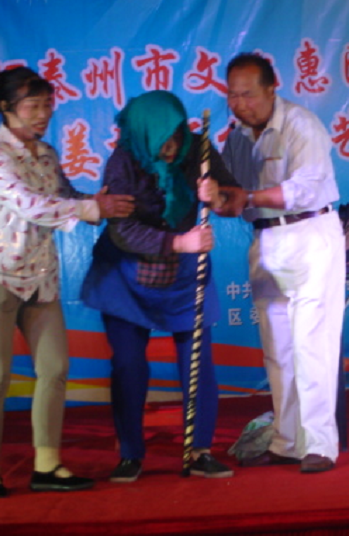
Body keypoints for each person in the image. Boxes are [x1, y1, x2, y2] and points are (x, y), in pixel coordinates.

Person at [0, 66, 135, 498]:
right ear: (5, 107)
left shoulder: (45, 153)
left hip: (40, 276)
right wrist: (90, 210)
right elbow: (31, 205)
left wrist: (98, 201)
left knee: (55, 368)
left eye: (47, 105)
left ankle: (46, 465)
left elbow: (63, 197)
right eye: (33, 106)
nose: (43, 114)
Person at [80, 90, 240, 482]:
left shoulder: (198, 148)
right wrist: (179, 242)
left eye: (176, 136)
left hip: (184, 273)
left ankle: (199, 450)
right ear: (143, 135)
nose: (170, 147)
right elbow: (123, 230)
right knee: (129, 364)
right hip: (126, 272)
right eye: (162, 139)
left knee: (197, 362)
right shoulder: (124, 160)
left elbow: (234, 200)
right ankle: (130, 453)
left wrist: (217, 195)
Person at [213, 52, 346, 473]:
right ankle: (288, 441)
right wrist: (216, 197)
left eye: (248, 94)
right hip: (266, 240)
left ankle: (321, 444)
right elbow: (233, 198)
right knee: (278, 350)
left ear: (273, 89)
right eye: (233, 96)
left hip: (309, 235)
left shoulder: (300, 125)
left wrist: (248, 197)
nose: (240, 104)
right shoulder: (236, 138)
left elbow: (305, 188)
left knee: (312, 345)